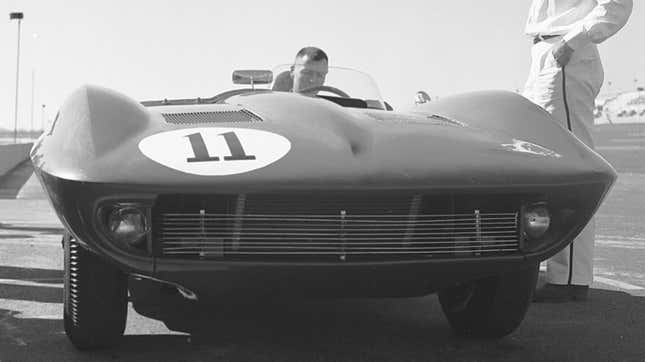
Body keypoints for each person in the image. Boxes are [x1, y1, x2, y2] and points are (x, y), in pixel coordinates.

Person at [522, 0, 632, 302]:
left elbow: (617, 5)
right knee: (545, 168)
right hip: (546, 56)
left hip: (566, 56)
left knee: (572, 168)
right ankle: (561, 273)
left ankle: (570, 279)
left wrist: (573, 41)